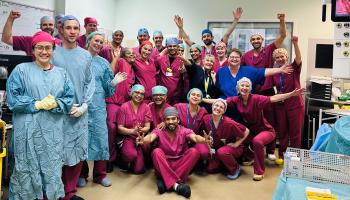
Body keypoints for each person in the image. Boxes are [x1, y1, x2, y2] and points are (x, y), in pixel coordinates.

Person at [6, 31, 74, 200]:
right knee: (25, 167)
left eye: (48, 48)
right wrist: (36, 104)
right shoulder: (21, 70)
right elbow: (12, 98)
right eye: (40, 48)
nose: (44, 52)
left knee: (51, 166)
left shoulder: (62, 74)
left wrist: (56, 104)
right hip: (27, 130)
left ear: (53, 50)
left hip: (52, 131)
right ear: (33, 50)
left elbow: (69, 98)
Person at [51, 15, 95, 200]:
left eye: (75, 28)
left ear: (80, 31)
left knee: (76, 152)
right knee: (55, 153)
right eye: (68, 28)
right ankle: (55, 191)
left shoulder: (85, 55)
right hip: (56, 113)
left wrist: (84, 106)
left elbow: (89, 83)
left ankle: (69, 192)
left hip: (78, 113)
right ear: (61, 30)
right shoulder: (52, 52)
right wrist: (56, 104)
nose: (72, 32)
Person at [226, 77, 303, 181]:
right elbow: (220, 102)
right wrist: (200, 99)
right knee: (237, 136)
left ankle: (259, 171)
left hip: (266, 131)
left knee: (257, 141)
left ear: (250, 88)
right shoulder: (236, 100)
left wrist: (290, 94)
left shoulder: (256, 98)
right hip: (252, 131)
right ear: (238, 88)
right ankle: (250, 157)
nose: (244, 88)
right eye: (242, 85)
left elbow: (274, 98)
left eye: (247, 86)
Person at [77, 32, 127, 188]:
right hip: (80, 106)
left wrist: (113, 82)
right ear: (88, 41)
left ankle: (100, 175)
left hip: (98, 107)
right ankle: (81, 174)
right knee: (81, 141)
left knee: (100, 139)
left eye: (101, 42)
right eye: (95, 41)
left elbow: (107, 90)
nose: (98, 44)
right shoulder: (78, 59)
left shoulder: (104, 63)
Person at [136, 107, 211, 198]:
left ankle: (166, 182)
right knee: (156, 152)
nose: (171, 121)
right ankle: (177, 186)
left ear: (178, 120)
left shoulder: (184, 130)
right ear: (164, 121)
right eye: (168, 119)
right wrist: (143, 140)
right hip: (164, 165)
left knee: (194, 152)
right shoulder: (159, 130)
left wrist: (203, 139)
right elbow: (151, 137)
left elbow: (195, 137)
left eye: (173, 118)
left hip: (180, 165)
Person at [215, 48, 293, 121]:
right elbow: (218, 89)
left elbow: (263, 72)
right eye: (232, 57)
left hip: (245, 112)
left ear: (241, 59)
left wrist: (279, 70)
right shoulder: (221, 72)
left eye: (237, 57)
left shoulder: (248, 70)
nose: (234, 59)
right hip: (227, 110)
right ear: (227, 58)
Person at [174, 7, 243, 72]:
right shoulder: (200, 49)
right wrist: (180, 28)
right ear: (202, 39)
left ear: (212, 37)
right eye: (204, 37)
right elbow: (186, 39)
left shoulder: (218, 48)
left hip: (215, 75)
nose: (206, 38)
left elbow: (227, 34)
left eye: (208, 36)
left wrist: (236, 20)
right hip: (203, 76)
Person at [271, 36, 304, 165]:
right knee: (282, 131)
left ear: (287, 57)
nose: (280, 59)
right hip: (280, 105)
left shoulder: (293, 68)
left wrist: (295, 43)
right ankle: (282, 155)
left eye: (282, 56)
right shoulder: (275, 72)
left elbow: (299, 58)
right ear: (275, 60)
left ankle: (295, 157)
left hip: (295, 105)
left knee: (295, 132)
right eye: (277, 57)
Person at [201, 99, 249, 179]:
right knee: (210, 169)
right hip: (217, 147)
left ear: (224, 111)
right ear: (212, 106)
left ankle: (235, 168)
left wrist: (236, 144)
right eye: (216, 105)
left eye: (221, 107)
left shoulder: (229, 122)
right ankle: (224, 164)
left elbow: (246, 131)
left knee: (222, 152)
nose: (218, 108)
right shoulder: (206, 118)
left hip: (233, 148)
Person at [105, 47, 136, 172]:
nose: (132, 55)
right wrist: (116, 57)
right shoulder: (122, 62)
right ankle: (109, 160)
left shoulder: (133, 70)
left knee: (123, 129)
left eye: (134, 54)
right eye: (129, 54)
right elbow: (111, 71)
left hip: (125, 104)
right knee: (112, 128)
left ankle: (120, 158)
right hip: (114, 102)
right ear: (124, 55)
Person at [117, 84, 152, 173]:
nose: (139, 95)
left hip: (141, 137)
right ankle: (124, 158)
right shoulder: (124, 107)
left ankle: (138, 155)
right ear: (132, 93)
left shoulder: (146, 107)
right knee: (130, 155)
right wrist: (133, 130)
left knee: (138, 170)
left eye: (142, 94)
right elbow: (119, 128)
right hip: (128, 137)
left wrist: (140, 130)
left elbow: (147, 127)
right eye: (137, 92)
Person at [174, 88, 208, 161]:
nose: (195, 97)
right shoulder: (179, 106)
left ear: (201, 99)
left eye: (198, 96)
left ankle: (197, 162)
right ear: (189, 96)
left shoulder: (203, 111)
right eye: (193, 94)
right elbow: (169, 116)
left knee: (204, 152)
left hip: (195, 139)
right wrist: (163, 122)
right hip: (180, 139)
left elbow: (204, 128)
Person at [156, 37, 190, 104]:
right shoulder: (161, 59)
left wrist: (184, 72)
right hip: (163, 94)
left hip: (176, 95)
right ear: (166, 47)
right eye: (170, 46)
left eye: (174, 46)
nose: (172, 48)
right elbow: (154, 61)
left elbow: (187, 78)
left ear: (178, 47)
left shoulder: (182, 60)